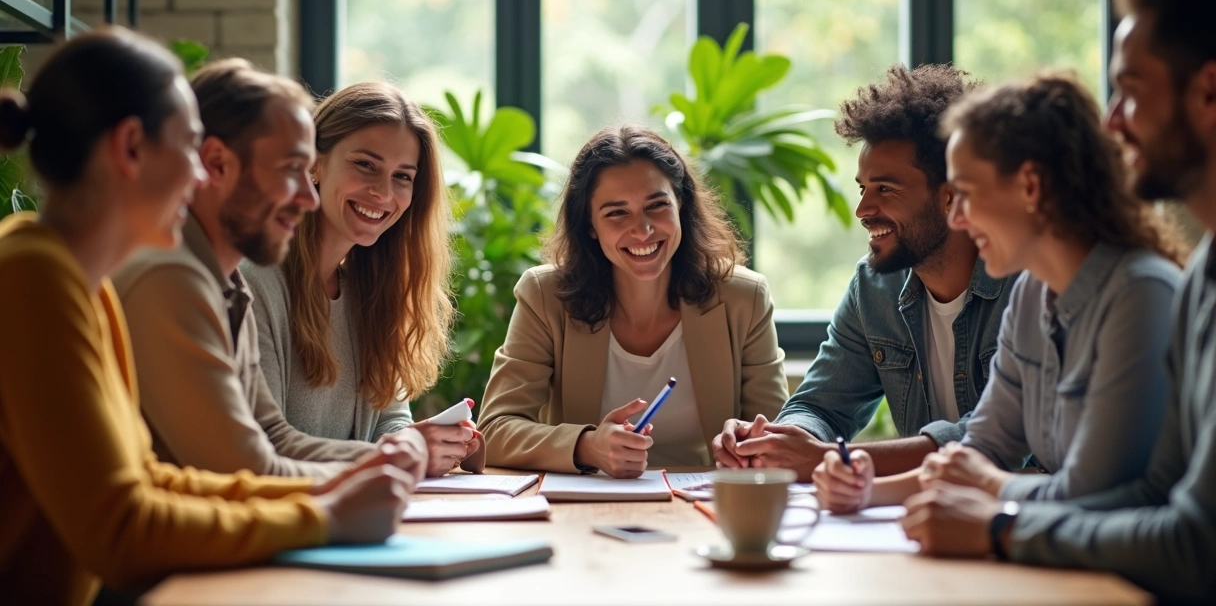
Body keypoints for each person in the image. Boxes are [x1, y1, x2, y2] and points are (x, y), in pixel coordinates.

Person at [0, 28, 418, 606]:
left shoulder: (80, 285)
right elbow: (120, 529)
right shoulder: (31, 277)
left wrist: (346, 489)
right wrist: (323, 517)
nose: (202, 178)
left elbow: (149, 478)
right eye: (191, 150)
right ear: (131, 149)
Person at [900, 0, 1216, 603]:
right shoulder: (1203, 274)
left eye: (1130, 91)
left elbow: (1195, 545)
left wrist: (1000, 518)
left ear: (1208, 90)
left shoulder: (1149, 291)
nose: (1116, 123)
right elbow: (1155, 497)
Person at [814, 72, 1182, 514]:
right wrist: (866, 490)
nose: (960, 219)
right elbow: (985, 447)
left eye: (966, 194)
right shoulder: (1032, 293)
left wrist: (990, 493)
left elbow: (1095, 494)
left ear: (1029, 187)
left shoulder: (1141, 294)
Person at [113, 59, 427, 480]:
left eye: (403, 176)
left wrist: (398, 457)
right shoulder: (175, 278)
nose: (307, 198)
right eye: (290, 169)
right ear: (217, 163)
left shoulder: (221, 281)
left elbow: (272, 440)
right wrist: (381, 473)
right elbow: (247, 468)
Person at [714, 64, 1016, 479]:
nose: (862, 210)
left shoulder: (1026, 286)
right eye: (863, 188)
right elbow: (819, 405)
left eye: (885, 189)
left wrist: (829, 460)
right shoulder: (875, 286)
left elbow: (998, 440)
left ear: (950, 197)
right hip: (925, 513)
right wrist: (780, 440)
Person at [479, 124, 788, 477]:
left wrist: (752, 441)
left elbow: (778, 434)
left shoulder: (743, 298)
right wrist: (587, 445)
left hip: (707, 507)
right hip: (585, 511)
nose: (642, 230)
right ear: (590, 225)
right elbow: (494, 429)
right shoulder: (545, 296)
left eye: (657, 206)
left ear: (681, 205)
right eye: (617, 213)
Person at [243, 81, 483, 478]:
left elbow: (391, 422)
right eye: (366, 165)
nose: (383, 192)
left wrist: (436, 442)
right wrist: (401, 449)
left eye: (403, 177)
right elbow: (264, 447)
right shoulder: (255, 283)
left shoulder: (370, 290)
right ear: (314, 164)